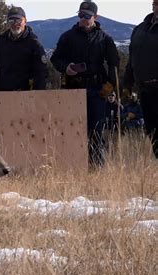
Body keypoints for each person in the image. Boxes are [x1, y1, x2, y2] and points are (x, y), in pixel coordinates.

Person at [50, 0, 119, 168]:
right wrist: (66, 68)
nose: (83, 19)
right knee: (72, 130)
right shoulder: (67, 37)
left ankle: (97, 169)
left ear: (95, 17)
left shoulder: (105, 39)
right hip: (73, 89)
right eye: (80, 15)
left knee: (97, 131)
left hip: (97, 90)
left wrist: (110, 90)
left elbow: (114, 65)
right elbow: (55, 58)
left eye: (87, 16)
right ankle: (73, 167)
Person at [0, 6, 48, 98]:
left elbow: (41, 72)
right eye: (11, 21)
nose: (15, 24)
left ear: (25, 21)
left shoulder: (34, 43)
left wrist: (38, 95)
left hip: (27, 96)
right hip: (3, 94)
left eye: (18, 20)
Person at [123, 1, 158, 158]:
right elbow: (132, 59)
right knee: (152, 131)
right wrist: (127, 84)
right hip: (144, 89)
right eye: (155, 3)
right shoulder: (140, 29)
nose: (156, 6)